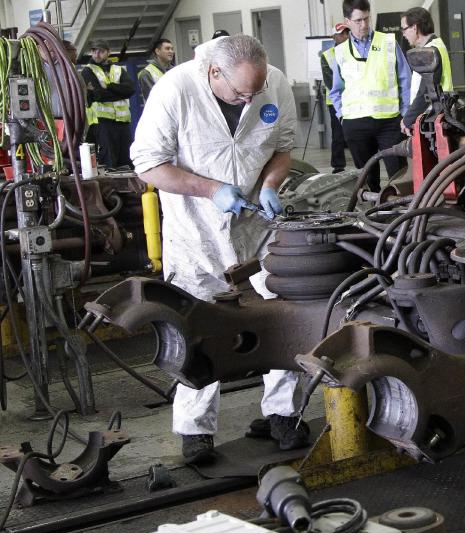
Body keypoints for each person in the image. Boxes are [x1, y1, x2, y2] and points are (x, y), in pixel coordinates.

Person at [129, 35, 307, 465]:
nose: (249, 99)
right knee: (195, 327)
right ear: (214, 73)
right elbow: (148, 163)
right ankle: (195, 431)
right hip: (196, 233)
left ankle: (283, 413)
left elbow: (282, 148)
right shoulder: (174, 89)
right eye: (240, 93)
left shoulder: (272, 83)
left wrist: (269, 184)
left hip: (257, 227)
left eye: (255, 92)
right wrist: (210, 190)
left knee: (283, 313)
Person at [330, 0, 412, 192]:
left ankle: (403, 217)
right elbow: (336, 90)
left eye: (367, 19)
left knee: (398, 178)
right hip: (355, 126)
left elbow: (405, 81)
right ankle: (373, 217)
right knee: (367, 181)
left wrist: (406, 116)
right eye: (358, 20)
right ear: (347, 21)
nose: (364, 25)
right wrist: (342, 116)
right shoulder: (340, 52)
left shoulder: (388, 42)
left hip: (389, 123)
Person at [400, 6, 453, 133]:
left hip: (432, 118)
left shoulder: (429, 51)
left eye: (404, 29)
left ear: (414, 27)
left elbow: (426, 92)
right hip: (440, 115)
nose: (403, 34)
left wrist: (408, 120)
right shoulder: (438, 44)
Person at [81, 39, 134, 168]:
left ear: (108, 52)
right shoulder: (88, 71)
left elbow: (130, 89)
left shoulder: (118, 69)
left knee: (127, 159)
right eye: (94, 51)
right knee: (109, 160)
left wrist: (108, 86)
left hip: (122, 121)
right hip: (102, 121)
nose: (97, 54)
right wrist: (119, 92)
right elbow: (98, 95)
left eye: (101, 51)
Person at [321, 24, 350, 173]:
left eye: (346, 33)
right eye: (341, 34)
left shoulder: (354, 51)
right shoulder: (327, 55)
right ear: (334, 37)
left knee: (356, 133)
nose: (345, 36)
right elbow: (330, 81)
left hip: (355, 100)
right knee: (338, 135)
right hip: (335, 102)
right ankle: (338, 166)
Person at [138, 38, 175, 105]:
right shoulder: (147, 73)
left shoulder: (175, 70)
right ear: (157, 51)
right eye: (167, 49)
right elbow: (153, 98)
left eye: (172, 49)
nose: (171, 51)